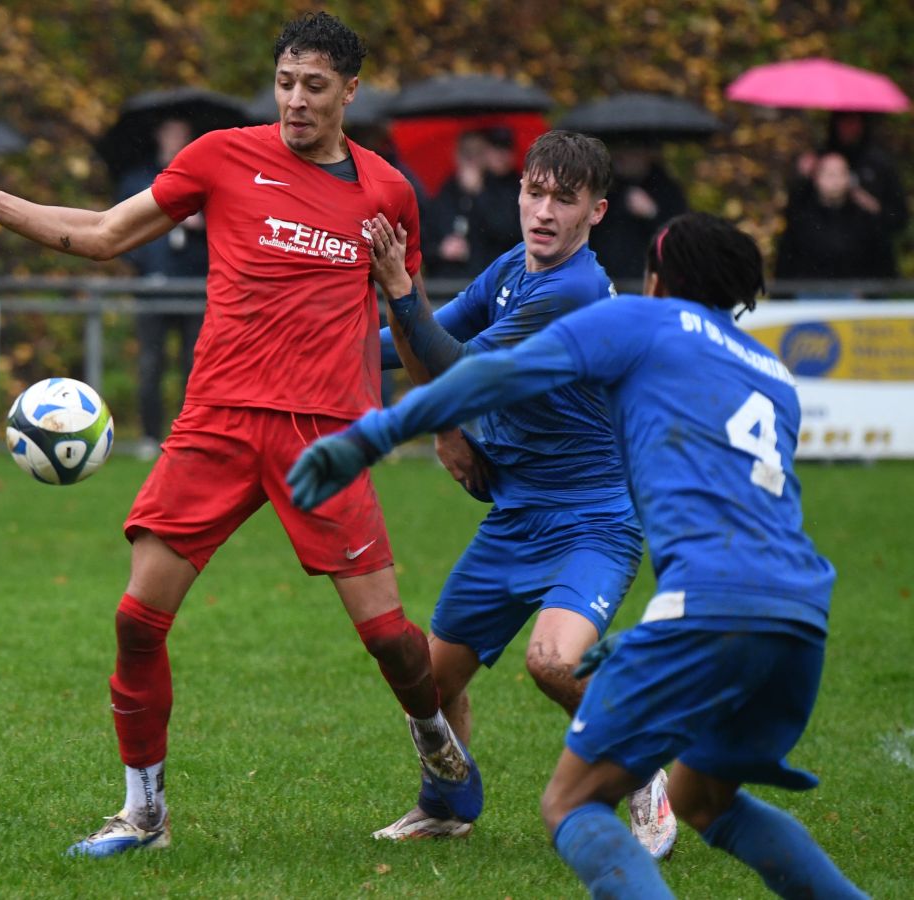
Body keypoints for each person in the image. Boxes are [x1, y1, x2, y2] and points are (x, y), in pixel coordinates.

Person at [0, 11, 480, 857]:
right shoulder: (221, 155)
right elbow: (107, 236)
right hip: (216, 420)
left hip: (324, 435)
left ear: (350, 93)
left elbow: (408, 327)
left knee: (391, 640)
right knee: (138, 620)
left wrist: (438, 411)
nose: (295, 100)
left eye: (315, 87)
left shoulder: (388, 193)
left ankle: (437, 741)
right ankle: (143, 814)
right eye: (286, 82)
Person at [289, 211, 866, 899]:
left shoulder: (636, 320)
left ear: (656, 279)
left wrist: (368, 437)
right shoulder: (771, 372)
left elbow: (489, 376)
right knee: (708, 801)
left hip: (709, 602)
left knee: (570, 804)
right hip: (802, 613)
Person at [367, 130, 674, 856]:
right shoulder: (514, 267)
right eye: (534, 193)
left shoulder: (573, 291)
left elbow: (453, 364)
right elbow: (422, 339)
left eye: (563, 201)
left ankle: (641, 767)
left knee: (553, 662)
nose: (543, 212)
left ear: (595, 212)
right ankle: (445, 806)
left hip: (593, 520)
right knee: (426, 691)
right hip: (515, 517)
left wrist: (401, 289)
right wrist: (315, 339)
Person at [115, 117, 208, 458]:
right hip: (152, 287)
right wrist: (142, 265)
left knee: (194, 366)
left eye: (182, 134)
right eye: (170, 133)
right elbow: (118, 226)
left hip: (196, 287)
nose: (175, 140)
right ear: (158, 135)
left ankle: (188, 435)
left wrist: (203, 222)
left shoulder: (205, 179)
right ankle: (149, 436)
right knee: (150, 365)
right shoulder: (139, 180)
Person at [788, 111, 908, 278]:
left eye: (854, 121)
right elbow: (793, 218)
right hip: (813, 275)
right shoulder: (816, 161)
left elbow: (897, 219)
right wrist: (802, 179)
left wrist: (873, 208)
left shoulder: (879, 164)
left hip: (865, 274)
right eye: (829, 174)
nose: (849, 128)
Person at [423, 127, 523, 282]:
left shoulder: (501, 189)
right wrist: (441, 250)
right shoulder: (445, 192)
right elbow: (424, 242)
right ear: (456, 155)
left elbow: (507, 232)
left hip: (485, 280)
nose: (471, 160)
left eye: (477, 154)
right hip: (444, 283)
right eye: (466, 153)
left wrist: (479, 194)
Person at [775, 151, 894, 282]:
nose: (835, 180)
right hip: (808, 295)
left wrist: (868, 294)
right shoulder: (801, 218)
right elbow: (786, 261)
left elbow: (881, 260)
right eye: (829, 174)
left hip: (855, 295)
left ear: (849, 178)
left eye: (840, 173)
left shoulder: (864, 218)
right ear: (816, 178)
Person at [587, 142, 687, 284]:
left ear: (646, 156)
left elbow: (678, 238)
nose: (621, 158)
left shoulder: (666, 189)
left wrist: (652, 214)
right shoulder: (604, 186)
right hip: (604, 276)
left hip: (644, 279)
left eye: (630, 153)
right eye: (618, 153)